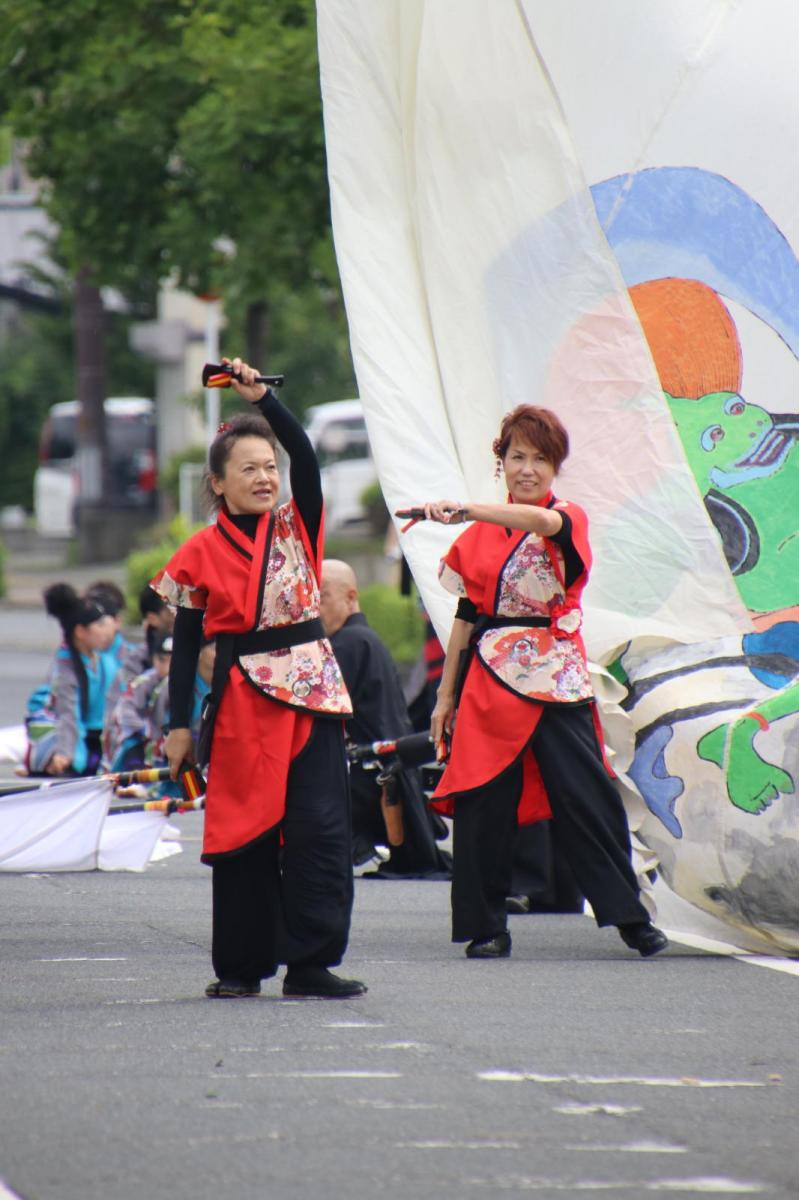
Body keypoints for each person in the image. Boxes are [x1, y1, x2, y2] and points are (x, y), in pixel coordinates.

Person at [403, 404, 668, 960]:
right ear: (501, 462)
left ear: (555, 467)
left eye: (540, 459)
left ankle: (629, 917)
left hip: (555, 673)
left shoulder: (566, 516)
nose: (528, 469)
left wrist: (464, 509)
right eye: (517, 456)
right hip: (489, 677)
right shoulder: (476, 539)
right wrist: (445, 696)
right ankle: (486, 925)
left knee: (587, 795)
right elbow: (465, 618)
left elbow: (543, 524)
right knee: (484, 802)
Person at [153, 356, 366, 1000]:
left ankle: (311, 963)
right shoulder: (197, 553)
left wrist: (263, 402)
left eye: (269, 467)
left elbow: (306, 452)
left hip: (315, 695)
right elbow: (186, 648)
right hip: (245, 701)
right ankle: (241, 967)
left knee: (321, 831)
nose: (265, 477)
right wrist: (178, 729)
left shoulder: (297, 526)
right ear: (217, 483)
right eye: (248, 468)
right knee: (245, 833)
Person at [320, 558, 452, 879]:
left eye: (322, 597)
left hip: (368, 776)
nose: (314, 607)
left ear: (351, 597)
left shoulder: (349, 644)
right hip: (386, 770)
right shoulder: (362, 639)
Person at [28, 584, 118, 776]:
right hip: (62, 736)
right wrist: (67, 756)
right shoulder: (65, 667)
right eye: (100, 625)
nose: (106, 630)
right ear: (80, 632)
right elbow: (68, 715)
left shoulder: (105, 660)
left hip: (95, 736)